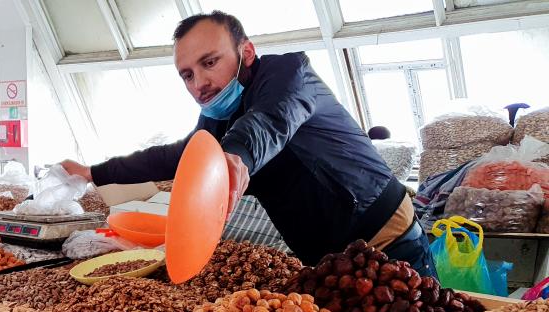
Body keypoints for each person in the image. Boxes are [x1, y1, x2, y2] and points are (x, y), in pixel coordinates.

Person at [60, 11, 435, 278]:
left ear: (247, 52)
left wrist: (234, 157)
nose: (199, 84)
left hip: (385, 238)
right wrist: (96, 172)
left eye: (210, 62)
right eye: (187, 75)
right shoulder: (216, 116)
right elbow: (178, 156)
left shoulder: (290, 74)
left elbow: (270, 121)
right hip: (325, 259)